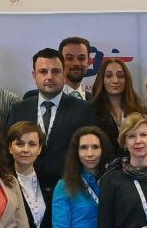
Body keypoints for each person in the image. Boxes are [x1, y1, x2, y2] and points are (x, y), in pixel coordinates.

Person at [11, 49, 108, 183]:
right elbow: (9, 149)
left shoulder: (84, 109)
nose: (49, 77)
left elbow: (95, 151)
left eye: (55, 71)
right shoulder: (19, 109)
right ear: (34, 76)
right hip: (26, 186)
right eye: (43, 71)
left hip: (70, 187)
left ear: (64, 75)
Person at [90, 58, 146, 131]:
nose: (115, 80)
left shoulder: (140, 111)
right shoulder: (92, 112)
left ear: (126, 79)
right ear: (102, 79)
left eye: (120, 76)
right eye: (109, 76)